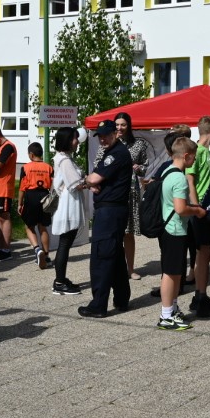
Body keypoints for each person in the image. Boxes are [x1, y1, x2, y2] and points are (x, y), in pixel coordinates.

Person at [78, 120, 133, 318]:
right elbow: (97, 181)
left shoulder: (116, 154)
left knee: (102, 257)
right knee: (115, 255)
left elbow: (94, 179)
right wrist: (93, 182)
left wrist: (88, 180)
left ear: (115, 134)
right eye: (100, 136)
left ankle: (98, 305)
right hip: (112, 211)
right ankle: (121, 299)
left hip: (110, 212)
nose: (102, 139)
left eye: (106, 135)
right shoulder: (112, 152)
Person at [156, 137, 208, 330]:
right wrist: (197, 210)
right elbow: (180, 208)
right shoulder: (179, 178)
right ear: (186, 156)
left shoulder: (168, 171)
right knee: (171, 274)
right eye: (193, 157)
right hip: (175, 229)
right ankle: (166, 315)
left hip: (168, 227)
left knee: (175, 272)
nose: (194, 161)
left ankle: (172, 308)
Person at [186, 116, 210, 318]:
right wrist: (196, 206)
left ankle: (201, 294)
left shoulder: (206, 152)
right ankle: (200, 296)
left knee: (204, 252)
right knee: (203, 252)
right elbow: (190, 179)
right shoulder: (197, 151)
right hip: (200, 209)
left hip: (206, 208)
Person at [49, 127, 85, 295]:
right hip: (68, 206)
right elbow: (75, 183)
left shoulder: (64, 158)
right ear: (67, 140)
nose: (77, 142)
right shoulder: (64, 160)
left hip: (68, 205)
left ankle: (61, 278)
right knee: (65, 243)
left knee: (65, 243)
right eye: (74, 139)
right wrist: (90, 182)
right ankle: (59, 281)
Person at [115, 112, 150, 280]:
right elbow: (98, 164)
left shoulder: (138, 144)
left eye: (123, 124)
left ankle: (130, 269)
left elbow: (145, 166)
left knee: (128, 232)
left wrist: (139, 168)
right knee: (115, 232)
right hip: (113, 192)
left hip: (131, 192)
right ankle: (116, 268)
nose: (119, 128)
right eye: (117, 125)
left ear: (128, 126)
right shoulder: (109, 142)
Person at [18, 142, 53, 269]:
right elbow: (53, 185)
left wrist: (20, 203)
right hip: (44, 196)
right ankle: (47, 256)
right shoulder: (48, 167)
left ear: (31, 155)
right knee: (43, 227)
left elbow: (22, 187)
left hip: (31, 196)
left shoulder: (25, 168)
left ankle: (37, 249)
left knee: (29, 226)